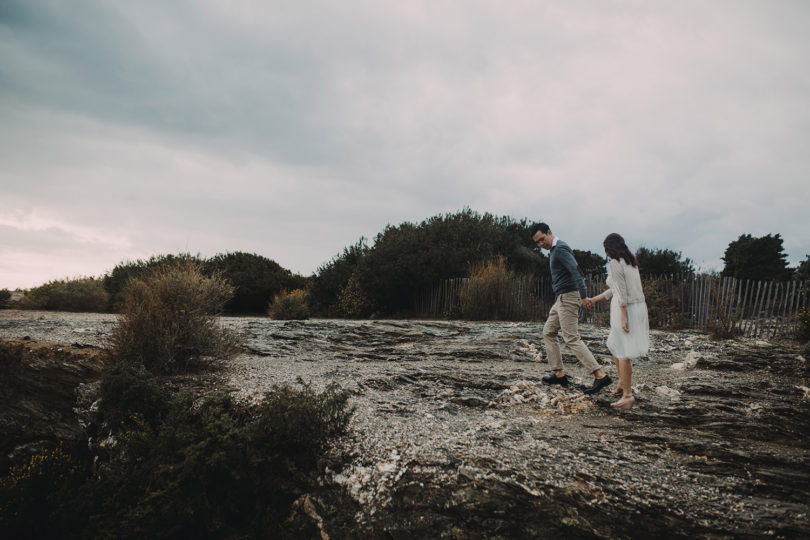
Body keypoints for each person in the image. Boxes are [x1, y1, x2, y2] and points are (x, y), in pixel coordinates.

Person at [531, 223, 611, 394]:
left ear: (549, 232)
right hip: (560, 298)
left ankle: (600, 375)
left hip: (569, 297)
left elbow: (577, 272)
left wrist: (583, 297)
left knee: (571, 338)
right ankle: (559, 374)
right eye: (537, 243)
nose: (541, 245)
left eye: (542, 239)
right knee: (548, 331)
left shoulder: (560, 249)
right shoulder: (553, 251)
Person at [586, 233, 650, 409]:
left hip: (626, 309)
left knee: (623, 351)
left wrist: (623, 317)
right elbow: (614, 290)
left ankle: (628, 395)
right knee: (614, 345)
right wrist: (595, 299)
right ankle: (623, 381)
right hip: (637, 307)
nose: (606, 254)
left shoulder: (615, 264)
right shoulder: (631, 263)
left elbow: (621, 294)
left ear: (610, 249)